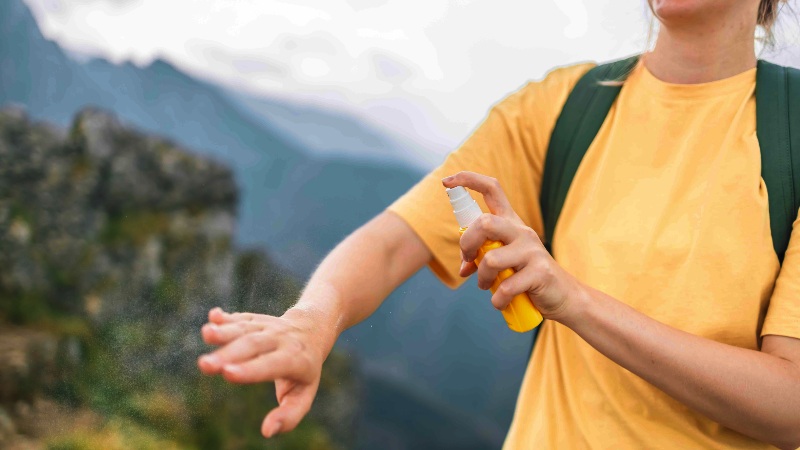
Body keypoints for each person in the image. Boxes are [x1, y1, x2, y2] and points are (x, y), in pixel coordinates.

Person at [197, 0, 800, 448]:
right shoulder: (562, 107)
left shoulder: (790, 133)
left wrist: (576, 302)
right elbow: (391, 242)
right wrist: (311, 323)